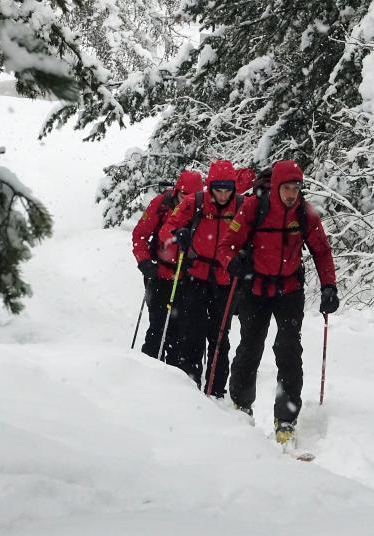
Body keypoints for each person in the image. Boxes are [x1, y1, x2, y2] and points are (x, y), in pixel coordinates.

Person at [216, 160, 339, 444]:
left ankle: (286, 420)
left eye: (296, 188)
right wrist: (233, 263)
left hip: (289, 291)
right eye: (286, 188)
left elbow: (321, 251)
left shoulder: (305, 214)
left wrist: (329, 286)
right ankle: (241, 407)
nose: (291, 194)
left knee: (288, 351)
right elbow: (227, 245)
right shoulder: (252, 208)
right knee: (250, 347)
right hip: (255, 289)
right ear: (275, 187)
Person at [159, 160, 243, 396]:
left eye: (228, 190)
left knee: (219, 338)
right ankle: (189, 389)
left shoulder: (241, 207)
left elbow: (252, 235)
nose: (223, 195)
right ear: (210, 187)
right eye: (219, 189)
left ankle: (215, 391)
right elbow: (168, 227)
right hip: (195, 277)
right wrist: (178, 233)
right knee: (191, 332)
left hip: (225, 280)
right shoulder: (194, 203)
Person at [131, 170, 204, 364]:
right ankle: (148, 368)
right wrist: (144, 261)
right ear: (176, 191)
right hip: (158, 273)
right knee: (158, 324)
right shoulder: (161, 204)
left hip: (187, 277)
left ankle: (174, 377)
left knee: (180, 330)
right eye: (182, 196)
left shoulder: (200, 209)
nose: (185, 202)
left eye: (190, 197)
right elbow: (140, 234)